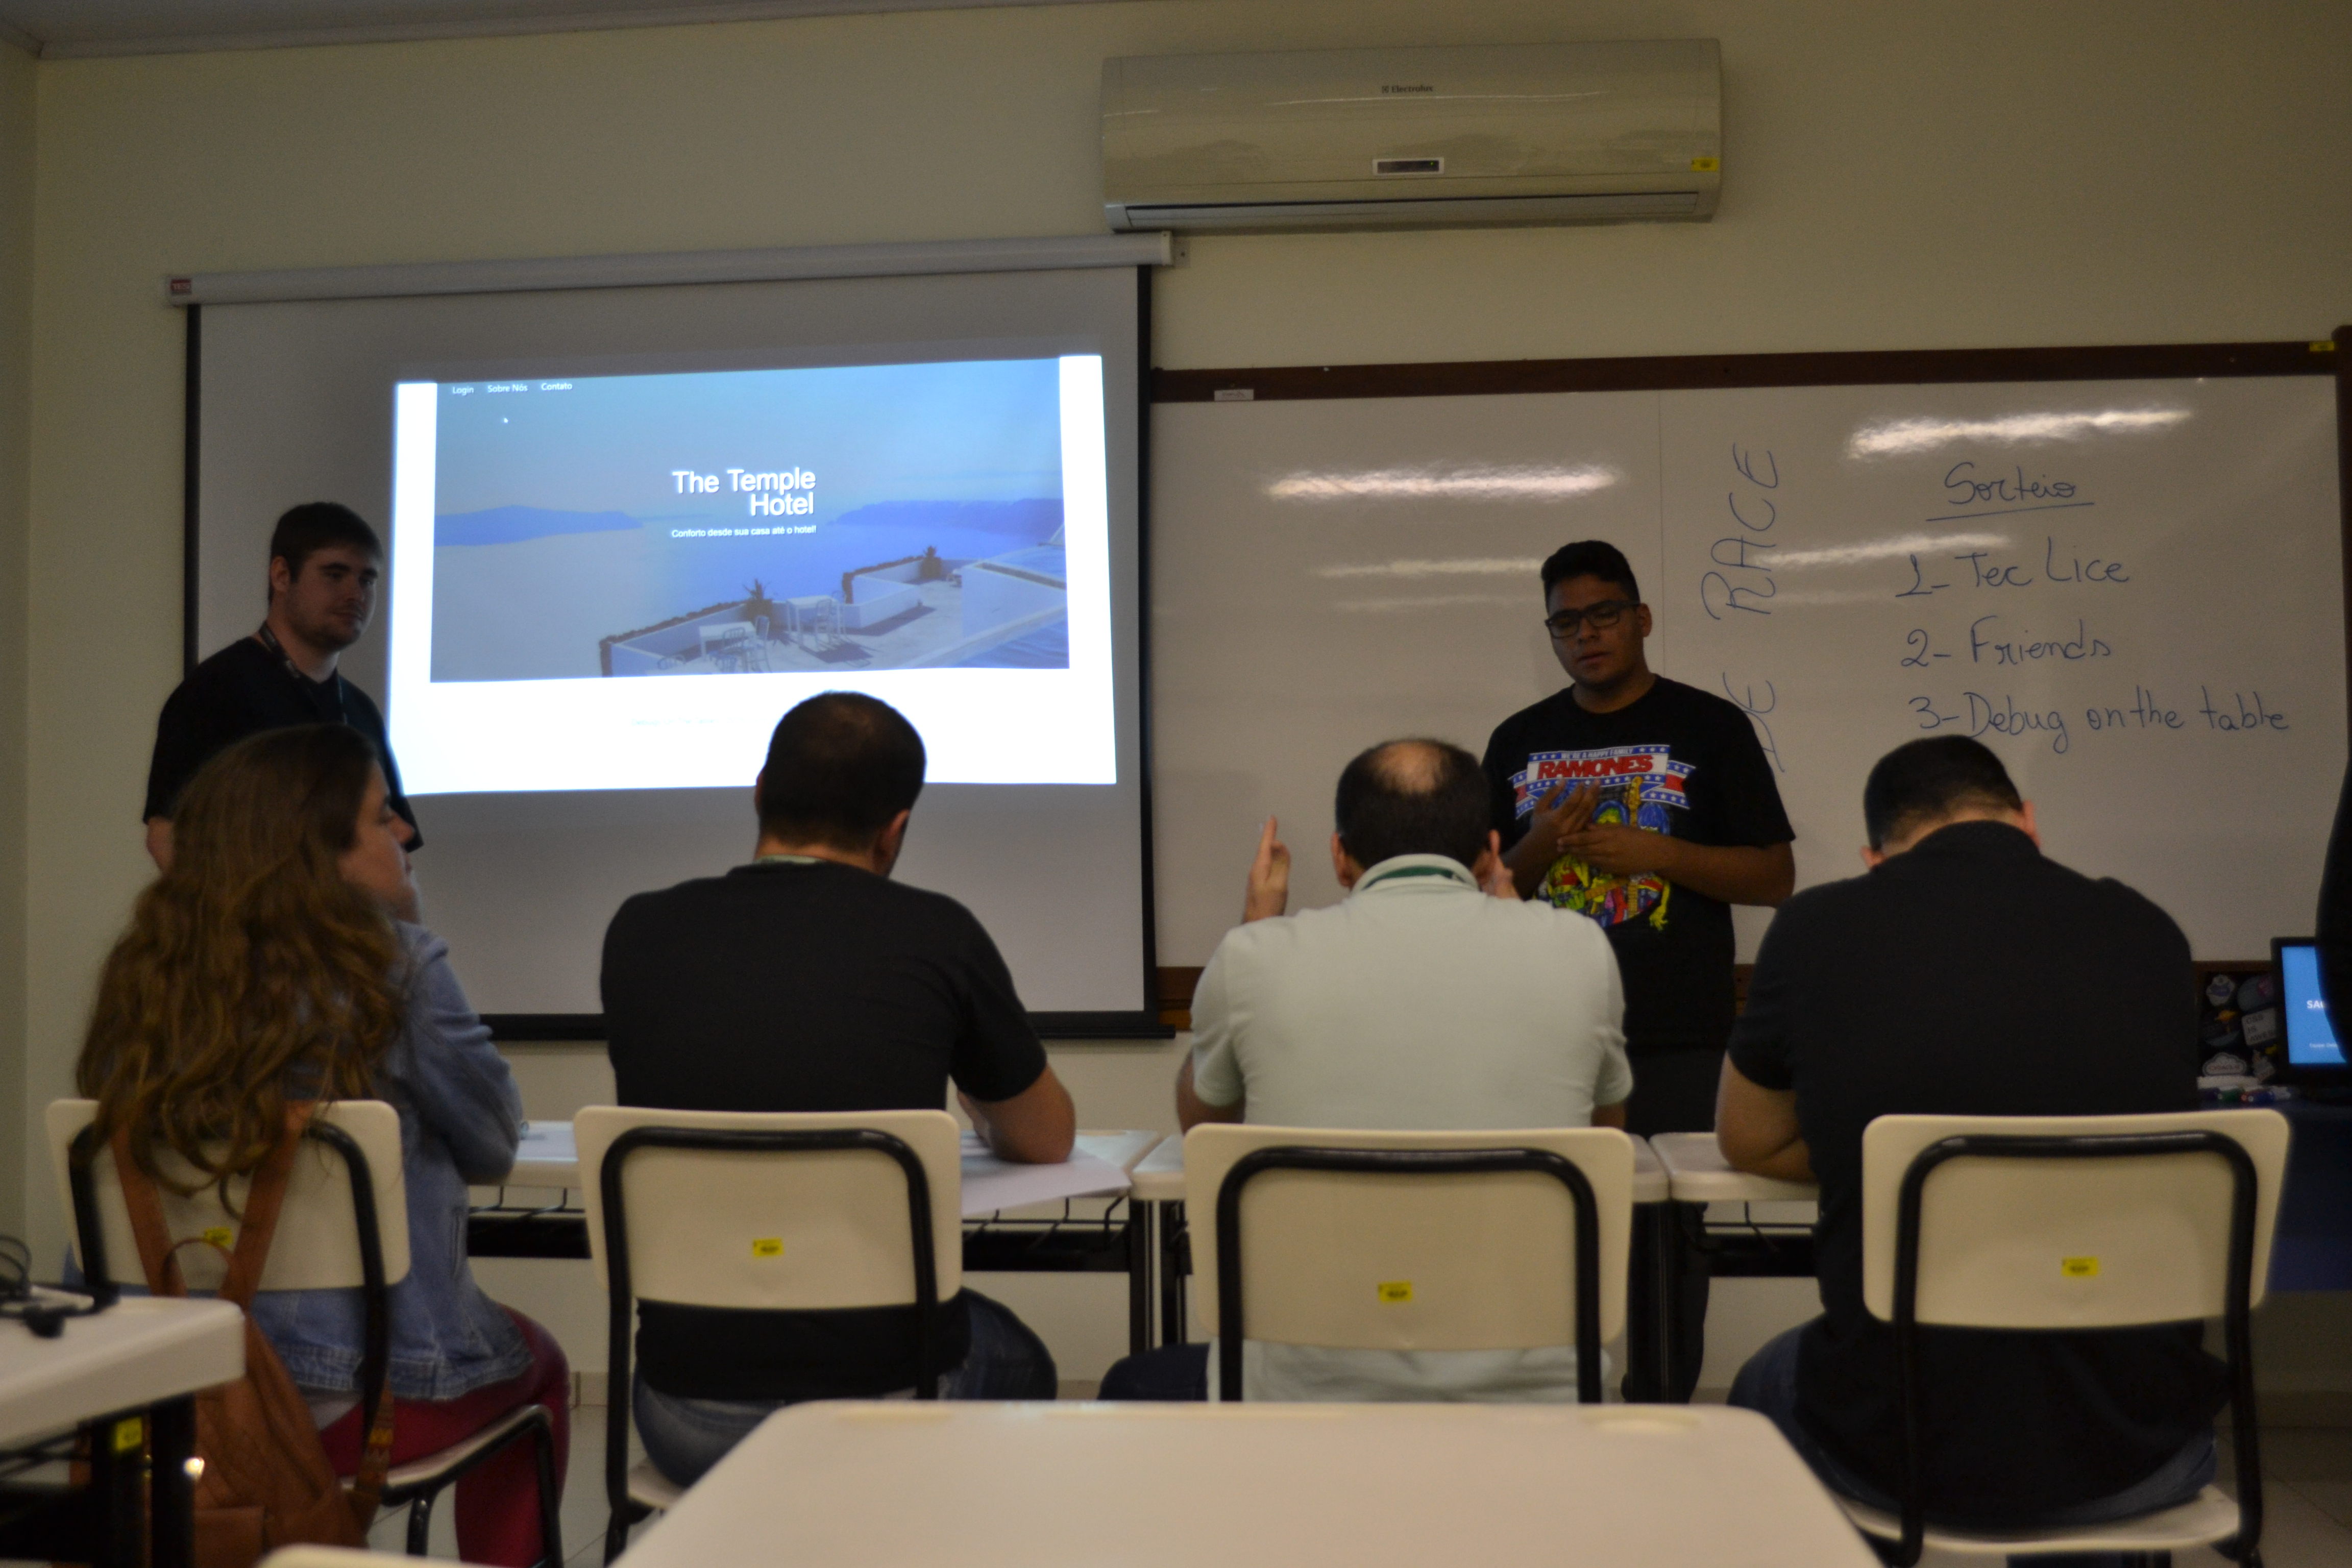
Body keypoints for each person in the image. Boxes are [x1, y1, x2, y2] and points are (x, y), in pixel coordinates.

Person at [80, 725, 565, 1568]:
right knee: (545, 1364)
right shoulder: (399, 966)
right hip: (361, 1402)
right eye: (382, 817)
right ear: (320, 851)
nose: (405, 830)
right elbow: (493, 1144)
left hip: (164, 1391)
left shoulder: (143, 977)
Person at [1719, 736, 2223, 1542]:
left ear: (1875, 858)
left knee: (1763, 1382)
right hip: (2143, 1451)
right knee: (2068, 1392)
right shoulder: (2148, 929)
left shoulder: (1817, 927)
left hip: (1899, 1453)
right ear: (2029, 823)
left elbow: (1747, 1141)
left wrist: (1891, 1147)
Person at [601, 691, 1074, 1486]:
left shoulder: (638, 930)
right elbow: (1047, 1138)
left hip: (685, 1416)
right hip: (887, 1408)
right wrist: (980, 1101)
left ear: (760, 793)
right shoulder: (938, 933)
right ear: (896, 829)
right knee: (1021, 1357)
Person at [1098, 738, 1632, 1402]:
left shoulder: (1254, 958)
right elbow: (1603, 1130)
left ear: (1339, 857)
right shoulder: (1581, 952)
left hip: (1298, 1395)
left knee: (1134, 1381)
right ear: (1490, 852)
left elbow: (1204, 1125)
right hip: (1537, 1396)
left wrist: (1252, 928)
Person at [1481, 537, 1795, 1401]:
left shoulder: (1711, 727)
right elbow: (1481, 893)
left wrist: (1658, 852)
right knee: (1542, 1235)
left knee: (1669, 1252)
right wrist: (1545, 843)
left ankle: (1658, 1416)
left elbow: (1774, 876)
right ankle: (1554, 1409)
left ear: (1642, 618)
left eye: (1604, 614)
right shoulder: (1517, 740)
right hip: (1543, 1038)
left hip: (1679, 1035)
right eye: (1566, 623)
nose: (1586, 635)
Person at [144, 502, 420, 872]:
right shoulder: (214, 692)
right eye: (335, 575)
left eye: (367, 580)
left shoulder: (360, 710)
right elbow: (167, 836)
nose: (356, 594)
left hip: (347, 910)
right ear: (281, 575)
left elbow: (397, 837)